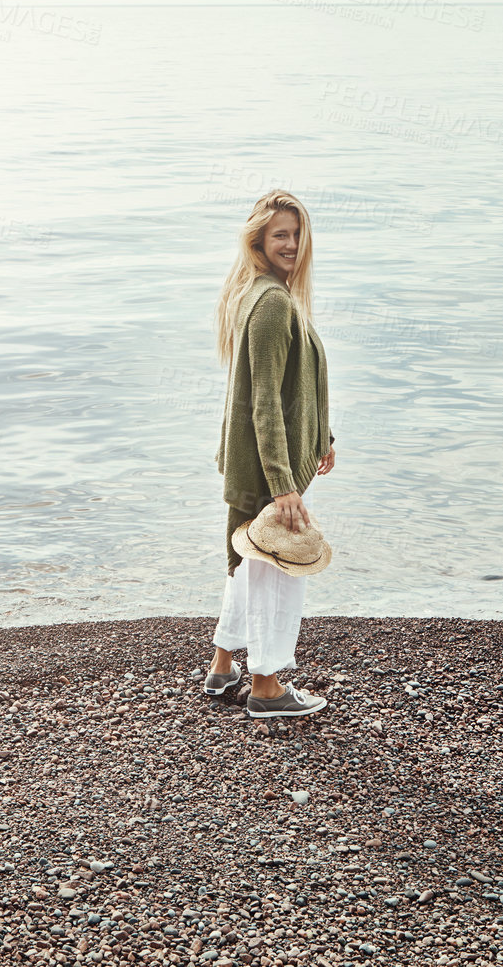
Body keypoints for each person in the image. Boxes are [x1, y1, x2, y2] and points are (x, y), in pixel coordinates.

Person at [209, 190, 335, 718]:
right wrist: (283, 485)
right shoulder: (272, 303)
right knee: (275, 573)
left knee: (246, 564)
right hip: (265, 467)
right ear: (259, 239)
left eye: (297, 233)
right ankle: (266, 688)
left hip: (256, 460)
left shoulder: (265, 295)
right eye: (280, 233)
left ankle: (223, 667)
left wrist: (321, 438)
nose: (291, 243)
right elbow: (264, 403)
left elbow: (291, 387)